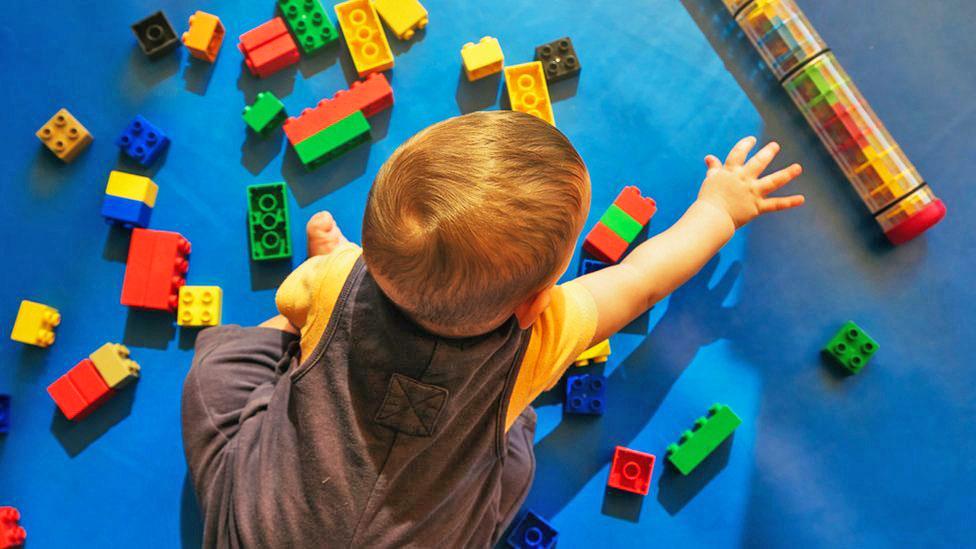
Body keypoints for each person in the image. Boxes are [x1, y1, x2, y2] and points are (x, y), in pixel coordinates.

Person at [182, 111, 803, 547]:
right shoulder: (540, 337)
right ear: (535, 302)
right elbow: (641, 280)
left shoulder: (335, 279)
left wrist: (326, 282)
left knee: (218, 376)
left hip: (255, 532)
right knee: (506, 466)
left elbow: (291, 307)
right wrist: (720, 209)